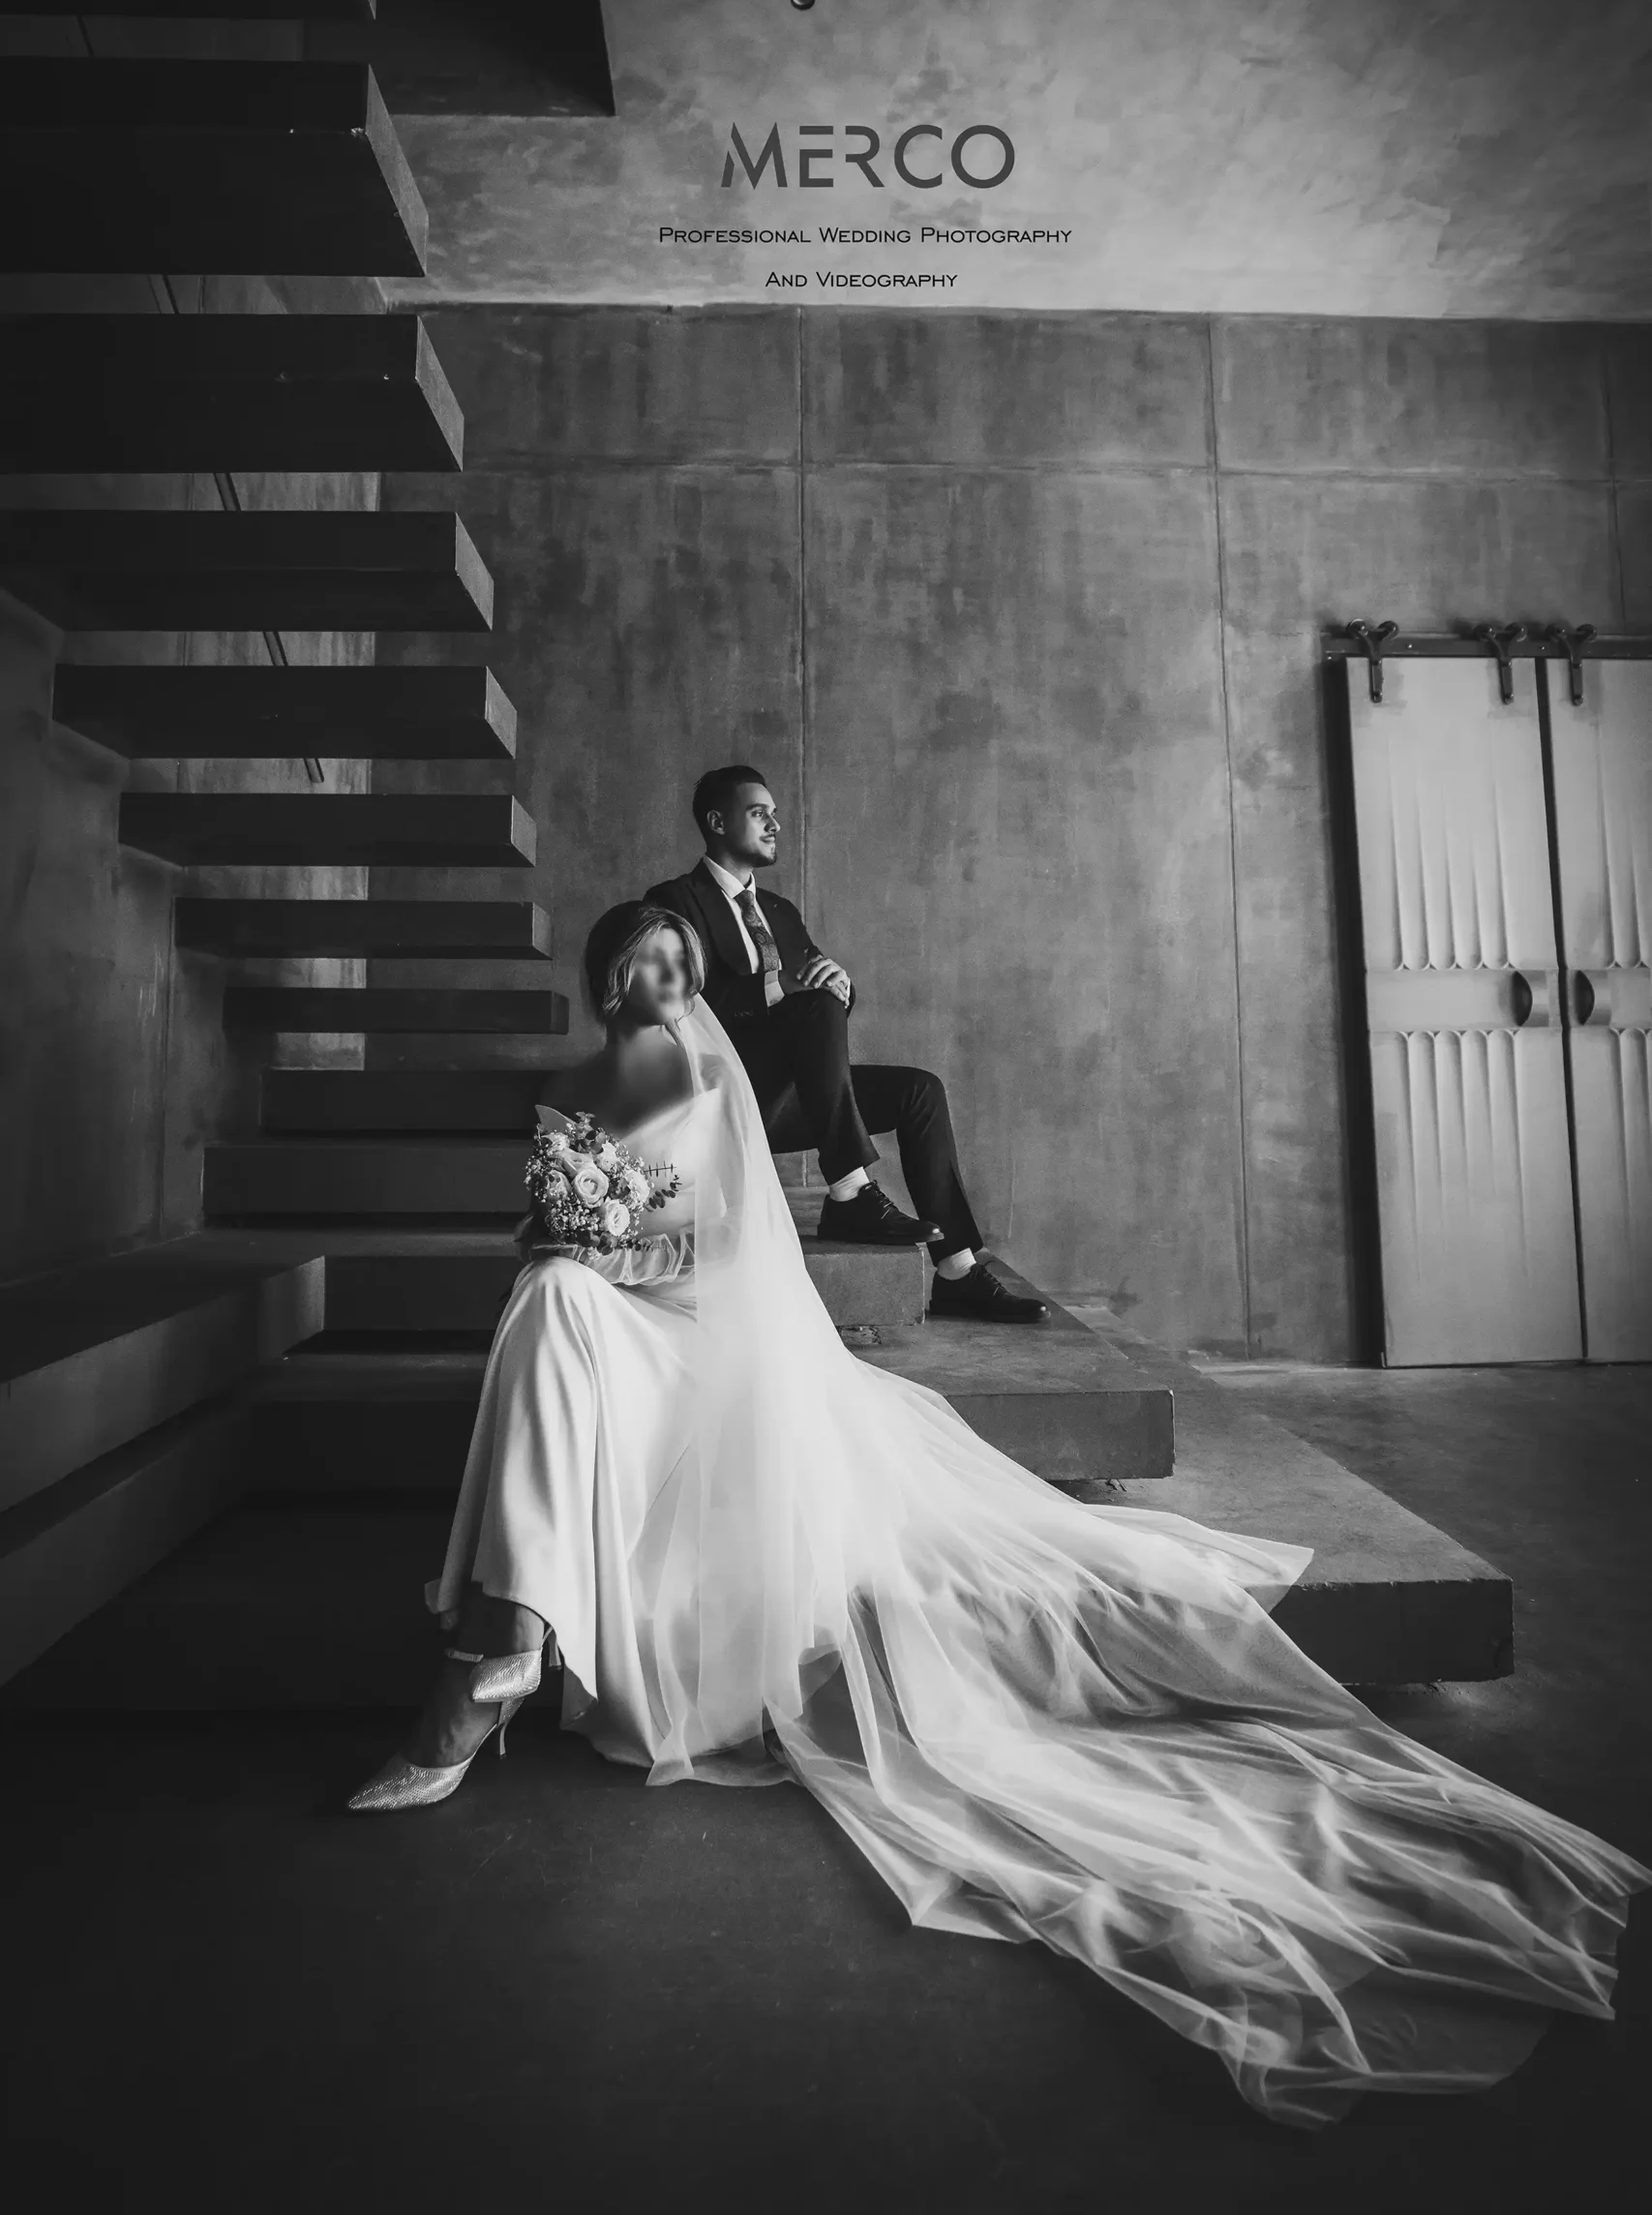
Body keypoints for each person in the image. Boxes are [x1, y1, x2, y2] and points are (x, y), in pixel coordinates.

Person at [346, 901, 1649, 2131]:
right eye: (642, 961)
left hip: (700, 1352)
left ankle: (503, 1636)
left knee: (557, 1306)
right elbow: (543, 1223)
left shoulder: (700, 1076)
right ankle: (515, 1631)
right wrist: (565, 1238)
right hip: (611, 1334)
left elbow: (737, 1258)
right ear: (605, 979)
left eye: (679, 961)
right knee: (547, 1297)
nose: (666, 980)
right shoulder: (582, 1086)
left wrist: (614, 1250)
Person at [645, 763, 1046, 1321]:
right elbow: (680, 1002)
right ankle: (852, 1190)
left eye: (775, 814)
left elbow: (819, 1010)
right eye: (759, 813)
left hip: (797, 1096)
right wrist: (784, 985)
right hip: (728, 1093)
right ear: (717, 822)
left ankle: (957, 1269)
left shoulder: (780, 912)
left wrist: (838, 985)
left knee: (920, 1090)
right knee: (812, 1003)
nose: (775, 825)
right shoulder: (674, 900)